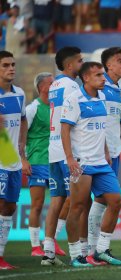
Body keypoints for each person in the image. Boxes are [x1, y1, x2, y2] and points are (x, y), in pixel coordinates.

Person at [61, 61, 121, 267]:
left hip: (100, 161)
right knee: (78, 207)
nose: (103, 79)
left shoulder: (103, 97)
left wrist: (106, 150)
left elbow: (101, 128)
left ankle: (101, 250)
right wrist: (70, 159)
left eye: (103, 75)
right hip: (82, 163)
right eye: (98, 75)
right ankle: (75, 254)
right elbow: (64, 130)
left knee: (116, 202)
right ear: (86, 78)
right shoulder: (74, 99)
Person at [41, 47, 83, 267]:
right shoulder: (72, 86)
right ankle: (77, 251)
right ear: (69, 65)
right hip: (68, 151)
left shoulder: (54, 85)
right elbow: (73, 118)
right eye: (80, 61)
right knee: (76, 200)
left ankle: (48, 250)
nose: (82, 64)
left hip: (53, 148)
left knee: (57, 200)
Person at [87, 47, 121, 262]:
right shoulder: (100, 90)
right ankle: (95, 248)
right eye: (120, 60)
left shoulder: (117, 91)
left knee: (101, 201)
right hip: (98, 155)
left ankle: (94, 250)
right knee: (105, 201)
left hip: (113, 152)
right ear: (108, 65)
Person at [24, 73, 59, 257]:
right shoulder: (33, 109)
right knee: (37, 204)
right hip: (37, 161)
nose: (55, 85)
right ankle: (35, 246)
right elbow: (22, 135)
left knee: (62, 202)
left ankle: (50, 241)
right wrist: (23, 159)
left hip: (55, 161)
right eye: (52, 83)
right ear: (43, 87)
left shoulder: (56, 108)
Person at [0, 50, 27, 270]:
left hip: (14, 160)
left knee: (9, 207)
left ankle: (0, 254)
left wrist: (21, 149)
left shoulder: (19, 93)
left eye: (13, 65)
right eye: (6, 65)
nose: (11, 68)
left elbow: (23, 120)